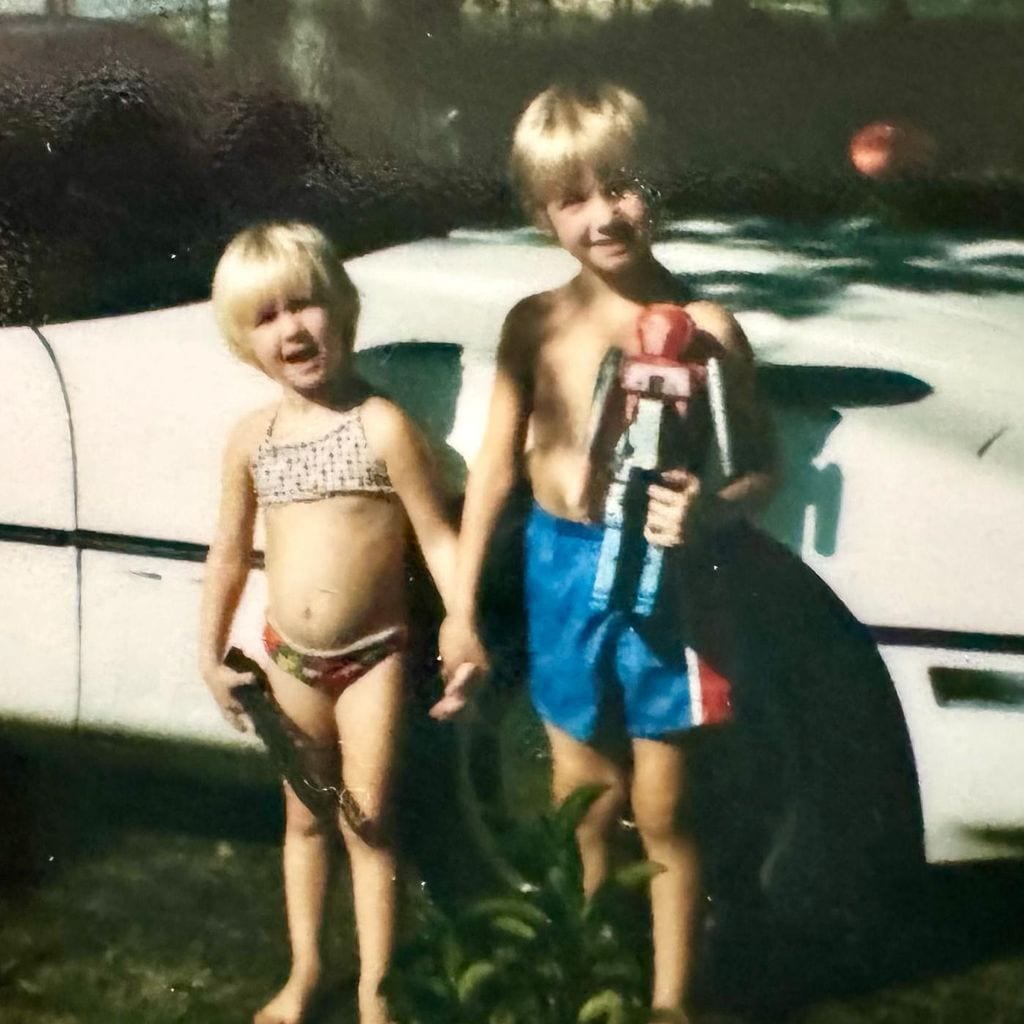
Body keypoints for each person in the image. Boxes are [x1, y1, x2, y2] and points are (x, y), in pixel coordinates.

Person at [439, 83, 776, 1019]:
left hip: (670, 584)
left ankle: (671, 998)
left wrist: (711, 511)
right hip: (560, 569)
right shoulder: (533, 323)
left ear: (654, 184)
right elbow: (496, 476)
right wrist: (464, 611)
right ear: (540, 212)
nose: (603, 214)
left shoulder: (707, 329)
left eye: (620, 186)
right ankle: (594, 969)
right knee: (583, 798)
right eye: (572, 198)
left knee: (667, 808)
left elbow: (762, 471)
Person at [199, 222, 475, 1024]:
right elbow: (226, 555)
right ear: (243, 340)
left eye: (307, 305)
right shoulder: (251, 439)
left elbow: (436, 536)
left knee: (370, 822)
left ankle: (376, 996)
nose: (293, 328)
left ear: (342, 309)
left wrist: (462, 621)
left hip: (373, 661)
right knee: (303, 819)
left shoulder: (383, 425)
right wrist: (211, 650)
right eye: (268, 316)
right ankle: (308, 972)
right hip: (288, 662)